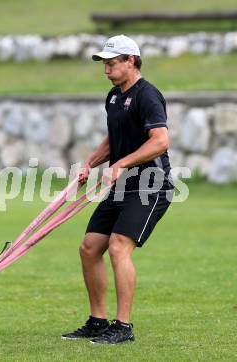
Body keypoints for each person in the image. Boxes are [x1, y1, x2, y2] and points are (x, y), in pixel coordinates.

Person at [61, 35, 174, 344]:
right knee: (89, 248)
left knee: (118, 246)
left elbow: (160, 141)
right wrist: (90, 162)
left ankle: (123, 327)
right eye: (105, 65)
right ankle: (98, 322)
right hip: (123, 185)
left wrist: (122, 163)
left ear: (131, 61)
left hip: (151, 184)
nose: (107, 70)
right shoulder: (113, 97)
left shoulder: (147, 96)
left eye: (112, 64)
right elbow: (114, 139)